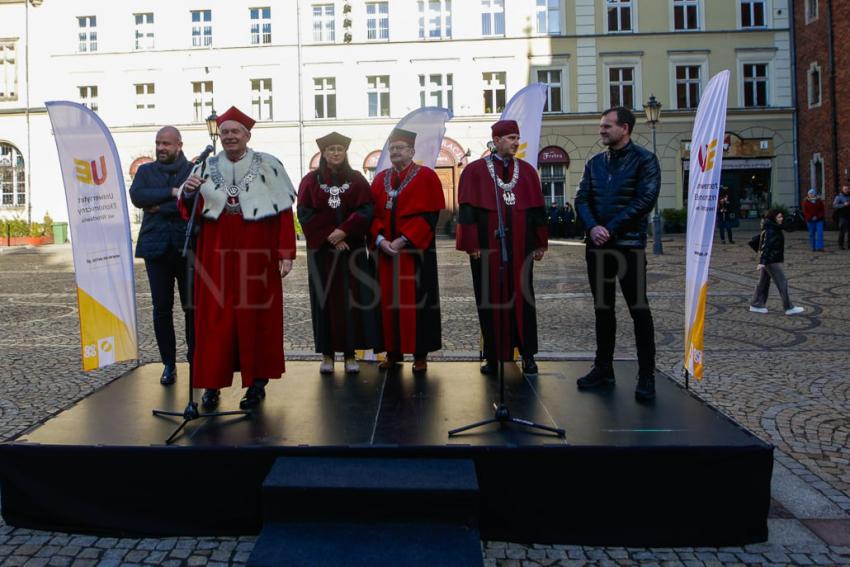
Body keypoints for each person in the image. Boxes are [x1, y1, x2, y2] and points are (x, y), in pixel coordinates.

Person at [179, 106, 297, 410]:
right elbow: (187, 210)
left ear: (247, 135)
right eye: (225, 132)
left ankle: (257, 383)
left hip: (258, 252)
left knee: (256, 317)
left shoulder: (269, 165)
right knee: (214, 319)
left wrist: (286, 252)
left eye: (236, 132)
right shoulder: (204, 166)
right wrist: (189, 194)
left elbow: (284, 212)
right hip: (214, 252)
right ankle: (211, 382)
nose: (230, 136)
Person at [573, 107, 660, 401]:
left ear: (625, 128)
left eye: (607, 126)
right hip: (597, 248)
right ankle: (603, 368)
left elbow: (645, 199)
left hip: (629, 246)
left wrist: (609, 228)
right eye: (601, 126)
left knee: (639, 311)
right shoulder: (595, 163)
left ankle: (646, 375)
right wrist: (592, 226)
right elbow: (581, 198)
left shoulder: (645, 160)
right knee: (602, 310)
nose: (602, 130)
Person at [456, 119, 547, 376]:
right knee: (489, 301)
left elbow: (537, 210)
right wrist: (470, 244)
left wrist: (540, 242)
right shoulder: (474, 171)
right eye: (510, 138)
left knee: (524, 299)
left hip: (520, 250)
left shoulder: (527, 171)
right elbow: (467, 211)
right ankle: (494, 356)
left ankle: (527, 355)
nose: (516, 142)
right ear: (496, 141)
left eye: (517, 138)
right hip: (486, 250)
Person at [297, 132, 382, 374]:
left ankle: (350, 354)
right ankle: (327, 355)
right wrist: (329, 236)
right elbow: (304, 211)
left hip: (351, 253)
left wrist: (345, 231)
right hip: (323, 254)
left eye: (339, 149)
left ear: (345, 152)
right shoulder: (310, 181)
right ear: (323, 153)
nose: (335, 152)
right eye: (331, 149)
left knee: (351, 304)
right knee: (324, 303)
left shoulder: (356, 180)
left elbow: (366, 209)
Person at [369, 128, 445, 372]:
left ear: (412, 151)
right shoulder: (380, 179)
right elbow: (371, 214)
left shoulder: (426, 177)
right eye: (392, 149)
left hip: (415, 255)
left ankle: (420, 356)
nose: (395, 152)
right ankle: (392, 353)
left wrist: (403, 240)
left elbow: (430, 215)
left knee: (418, 306)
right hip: (386, 256)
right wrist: (380, 240)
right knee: (387, 306)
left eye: (399, 148)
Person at [129, 126, 194, 386]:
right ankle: (168, 363)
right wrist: (172, 194)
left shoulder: (192, 171)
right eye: (158, 143)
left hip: (187, 248)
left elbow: (193, 202)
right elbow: (137, 196)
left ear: (179, 145)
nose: (161, 148)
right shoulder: (145, 171)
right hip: (156, 249)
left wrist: (157, 206)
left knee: (192, 308)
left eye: (166, 143)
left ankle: (196, 360)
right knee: (161, 309)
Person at [749, 209, 805, 316]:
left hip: (770, 259)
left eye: (782, 217)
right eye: (779, 217)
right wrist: (762, 262)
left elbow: (789, 227)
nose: (781, 219)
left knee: (763, 282)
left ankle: (756, 304)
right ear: (773, 218)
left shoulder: (774, 227)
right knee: (782, 282)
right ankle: (788, 308)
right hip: (771, 260)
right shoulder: (771, 229)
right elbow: (766, 246)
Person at [833, 184, 850, 249]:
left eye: (847, 189)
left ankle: (849, 245)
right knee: (842, 232)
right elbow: (834, 205)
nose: (846, 190)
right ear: (842, 190)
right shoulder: (839, 197)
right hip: (843, 217)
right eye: (845, 189)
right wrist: (843, 204)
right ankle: (840, 245)